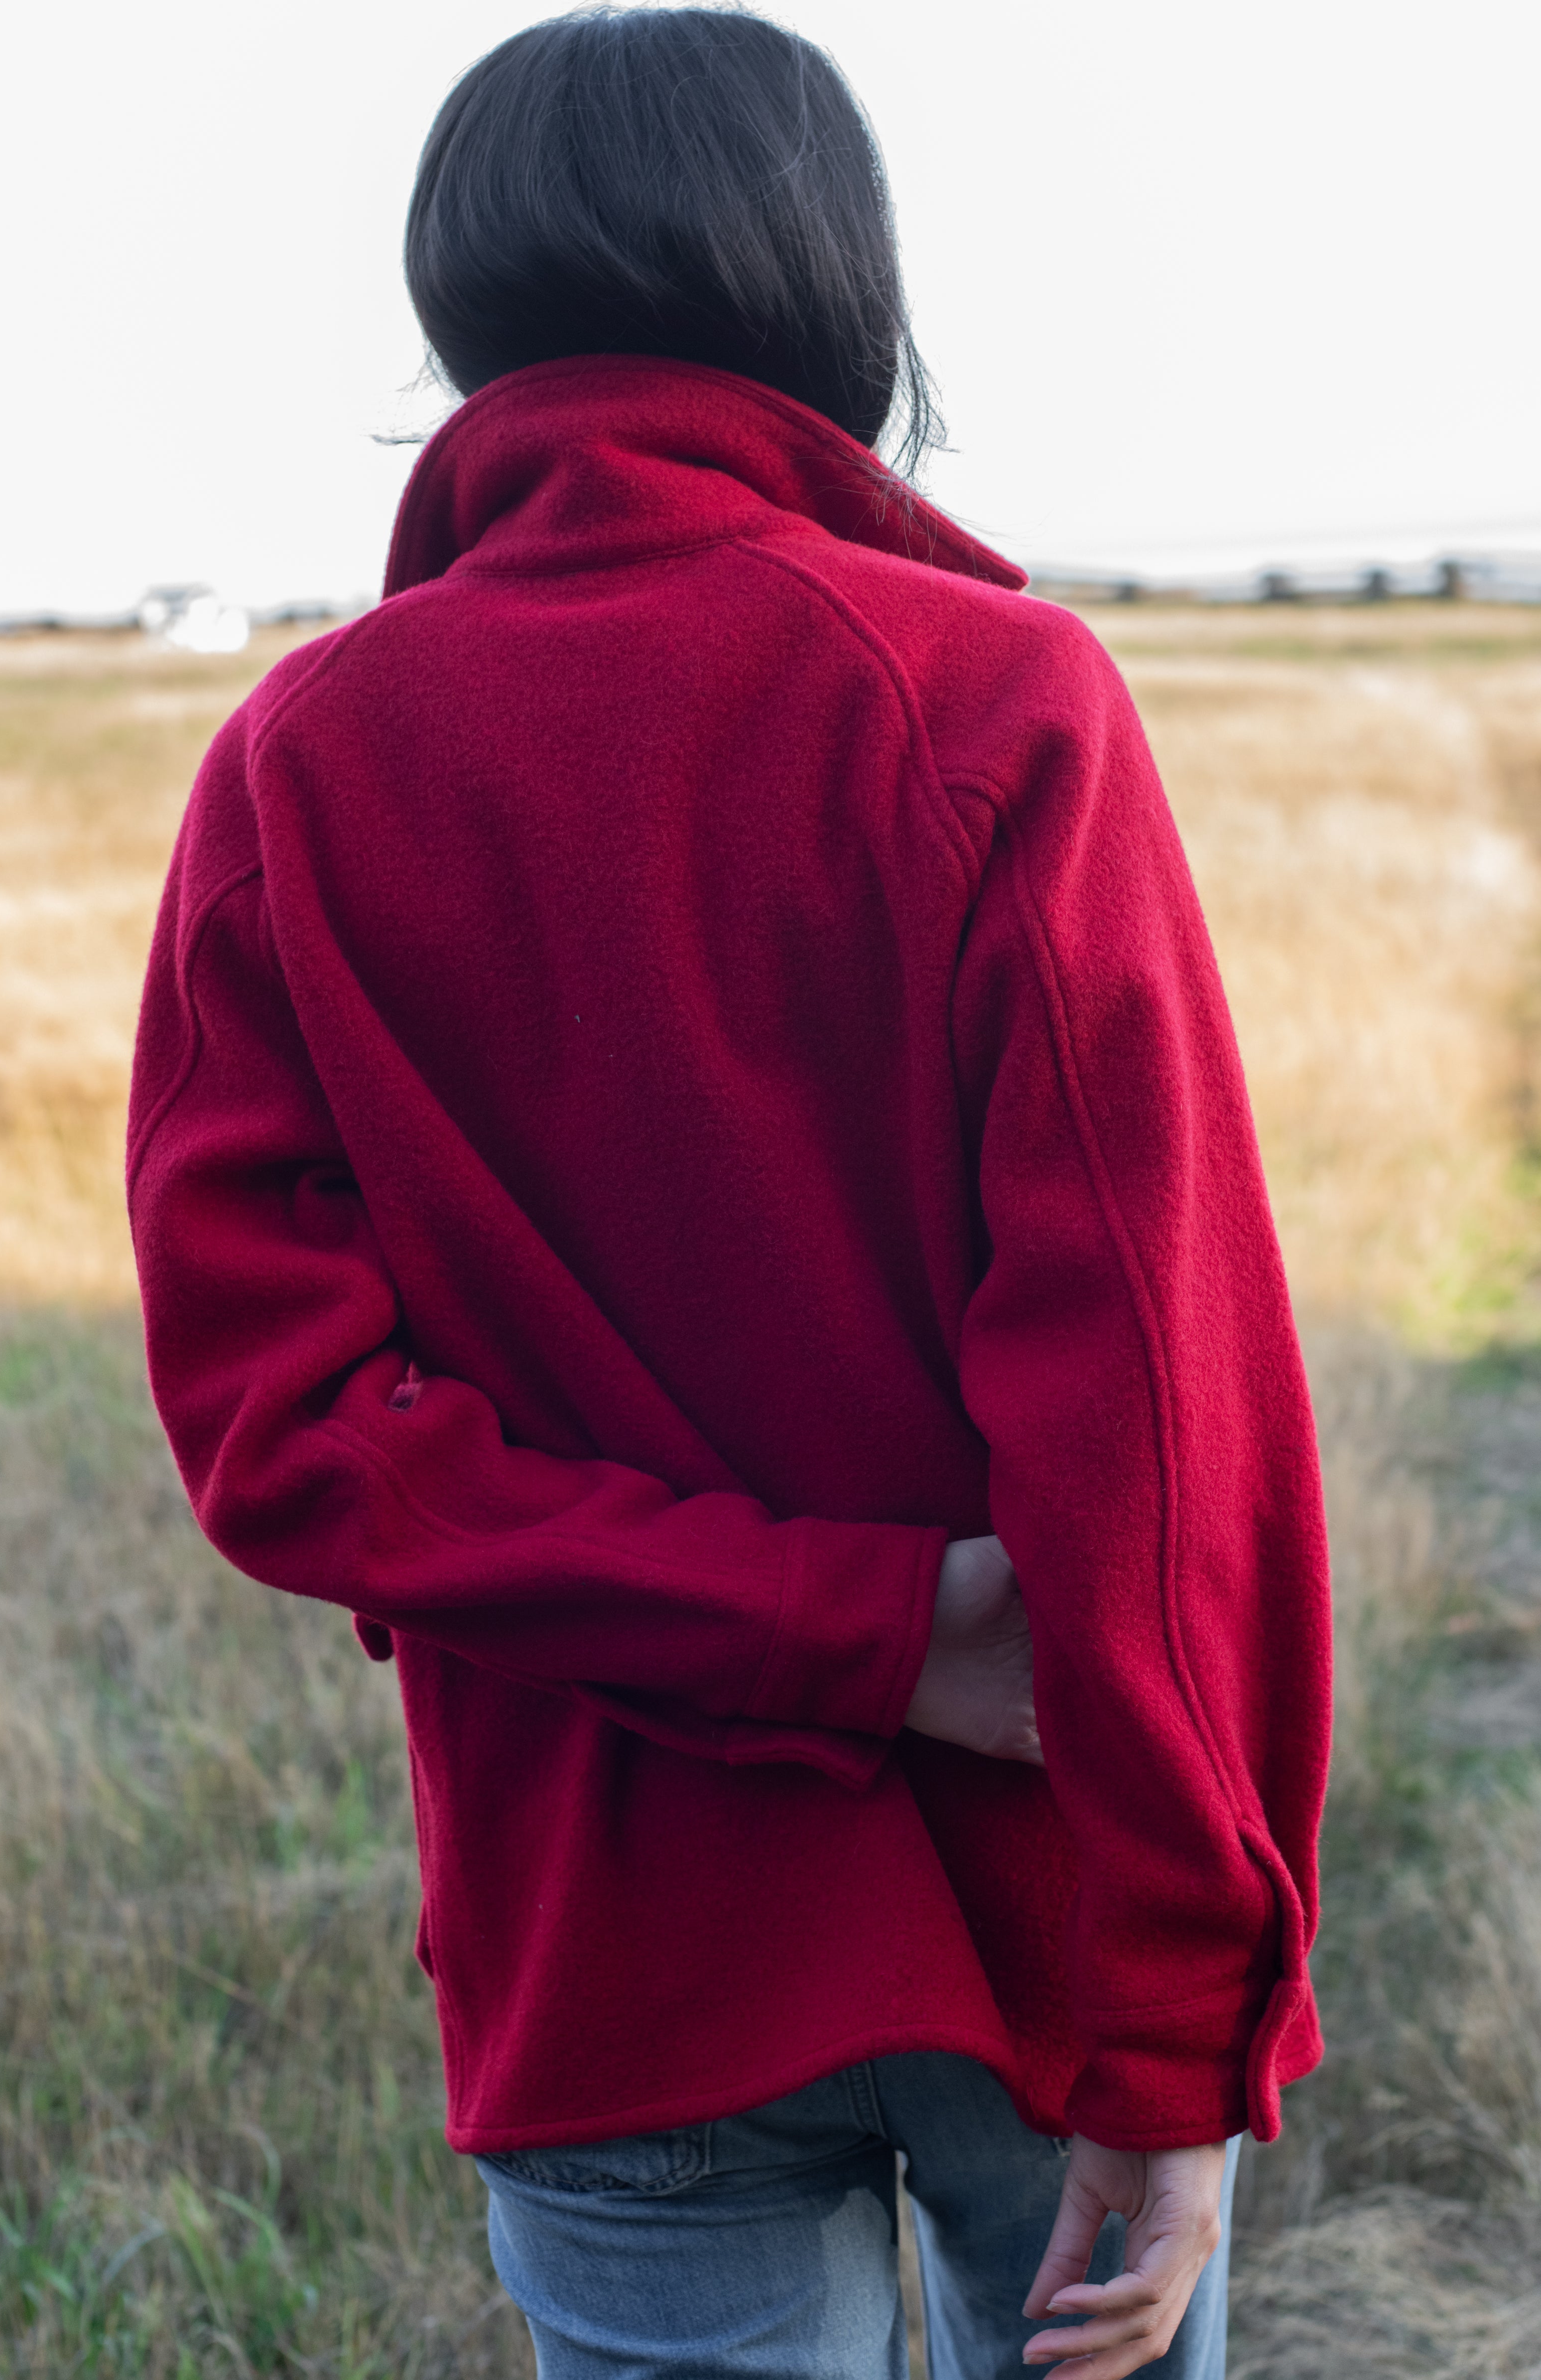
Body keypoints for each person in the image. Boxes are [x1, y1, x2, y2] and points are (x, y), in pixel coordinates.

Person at [126, 9, 1331, 2375]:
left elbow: (284, 1438)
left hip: (611, 1946)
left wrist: (835, 1632)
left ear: (461, 307)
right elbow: (1164, 1420)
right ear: (837, 296)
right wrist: (1183, 2021)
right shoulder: (997, 709)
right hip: (1047, 1919)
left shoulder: (297, 768)